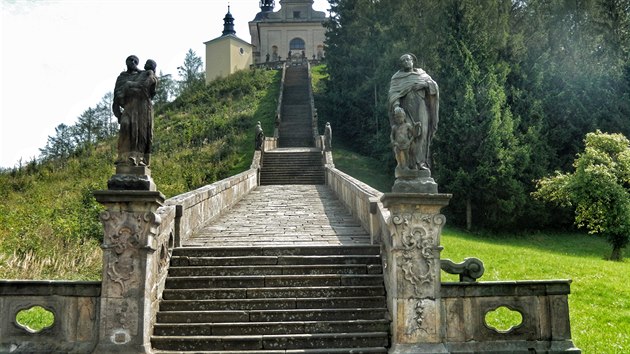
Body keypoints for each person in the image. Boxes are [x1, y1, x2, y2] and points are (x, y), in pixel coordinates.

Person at [388, 53, 439, 172]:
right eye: (403, 60)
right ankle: (408, 165)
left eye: (408, 59)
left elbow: (434, 86)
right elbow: (392, 94)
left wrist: (424, 84)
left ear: (413, 61)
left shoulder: (422, 74)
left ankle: (420, 162)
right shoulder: (397, 77)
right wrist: (396, 106)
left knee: (422, 133)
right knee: (409, 133)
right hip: (405, 108)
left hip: (421, 105)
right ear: (401, 64)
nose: (406, 62)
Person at [112, 56, 158, 166]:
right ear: (126, 61)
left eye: (135, 61)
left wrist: (130, 86)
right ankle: (122, 156)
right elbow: (116, 96)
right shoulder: (121, 77)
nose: (133, 62)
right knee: (125, 125)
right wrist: (118, 114)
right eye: (130, 60)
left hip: (140, 108)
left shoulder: (143, 74)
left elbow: (149, 86)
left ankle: (137, 157)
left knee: (139, 132)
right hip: (128, 107)